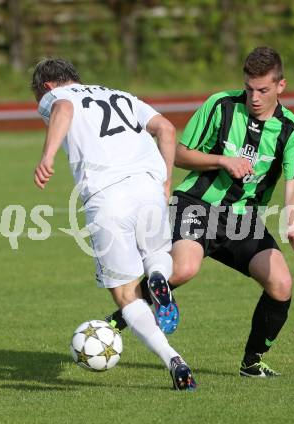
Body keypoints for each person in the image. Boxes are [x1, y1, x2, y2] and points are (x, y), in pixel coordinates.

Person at [106, 46, 294, 377]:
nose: (255, 97)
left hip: (243, 221)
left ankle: (252, 362)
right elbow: (179, 154)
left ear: (280, 86)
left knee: (281, 284)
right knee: (184, 268)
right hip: (197, 205)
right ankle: (117, 320)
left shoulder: (292, 131)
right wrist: (221, 160)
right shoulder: (221, 106)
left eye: (263, 90)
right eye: (249, 88)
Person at [31, 58, 196, 390]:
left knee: (124, 294)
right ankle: (159, 277)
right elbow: (165, 128)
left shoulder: (58, 96)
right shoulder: (121, 94)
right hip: (148, 187)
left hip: (107, 196)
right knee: (156, 254)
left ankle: (174, 360)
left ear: (46, 86)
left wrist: (48, 155)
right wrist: (165, 179)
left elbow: (63, 106)